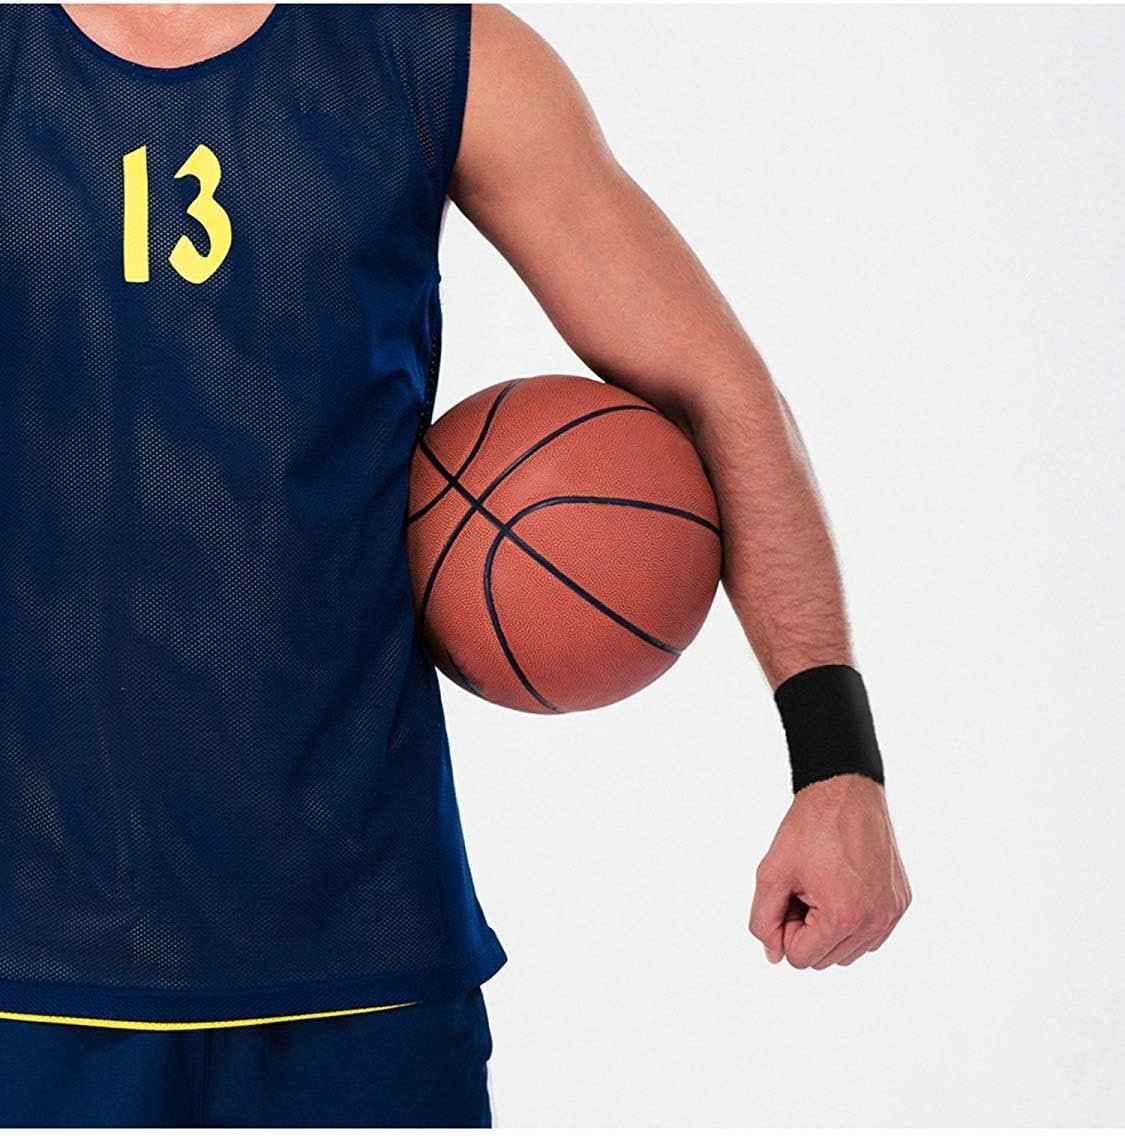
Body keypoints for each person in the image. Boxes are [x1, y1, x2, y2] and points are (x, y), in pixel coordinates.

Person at [0, 2, 911, 1126]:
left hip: (364, 947)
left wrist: (835, 759)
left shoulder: (437, 51)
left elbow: (714, 384)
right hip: (28, 955)